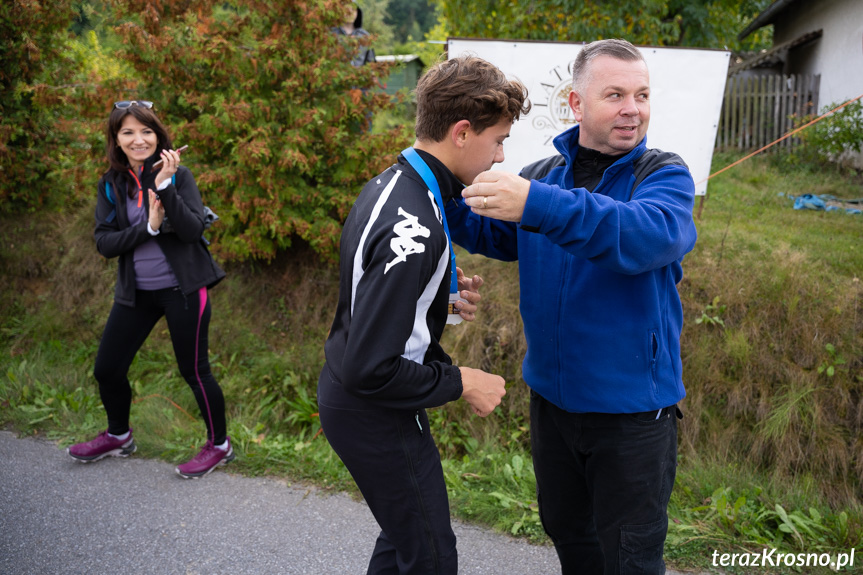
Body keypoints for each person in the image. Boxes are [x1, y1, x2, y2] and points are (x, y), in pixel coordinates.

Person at [445, 39, 698, 574]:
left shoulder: (663, 175)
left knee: (629, 558)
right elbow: (490, 230)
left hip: (632, 418)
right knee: (570, 539)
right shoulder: (542, 176)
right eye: (615, 94)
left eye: (642, 94)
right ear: (576, 105)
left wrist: (535, 204)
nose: (633, 108)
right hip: (554, 409)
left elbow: (640, 237)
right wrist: (437, 179)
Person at [317, 55, 530, 574]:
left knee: (404, 542)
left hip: (355, 395)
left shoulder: (397, 184)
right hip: (372, 408)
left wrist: (441, 302)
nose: (500, 157)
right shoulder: (415, 225)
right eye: (498, 140)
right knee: (431, 558)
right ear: (461, 132)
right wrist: (463, 381)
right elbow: (373, 365)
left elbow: (370, 296)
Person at [67, 100, 232, 480]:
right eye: (128, 132)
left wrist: (164, 187)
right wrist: (150, 227)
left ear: (158, 136)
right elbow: (105, 244)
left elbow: (192, 231)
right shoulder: (111, 184)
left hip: (183, 288)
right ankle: (119, 435)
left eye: (146, 131)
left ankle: (220, 445)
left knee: (194, 370)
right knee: (107, 368)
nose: (138, 139)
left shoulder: (179, 174)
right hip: (136, 291)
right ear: (116, 140)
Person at [332, 1, 376, 68]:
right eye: (347, 10)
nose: (350, 13)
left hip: (359, 77)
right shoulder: (331, 34)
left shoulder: (365, 36)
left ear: (358, 12)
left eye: (353, 10)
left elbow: (372, 64)